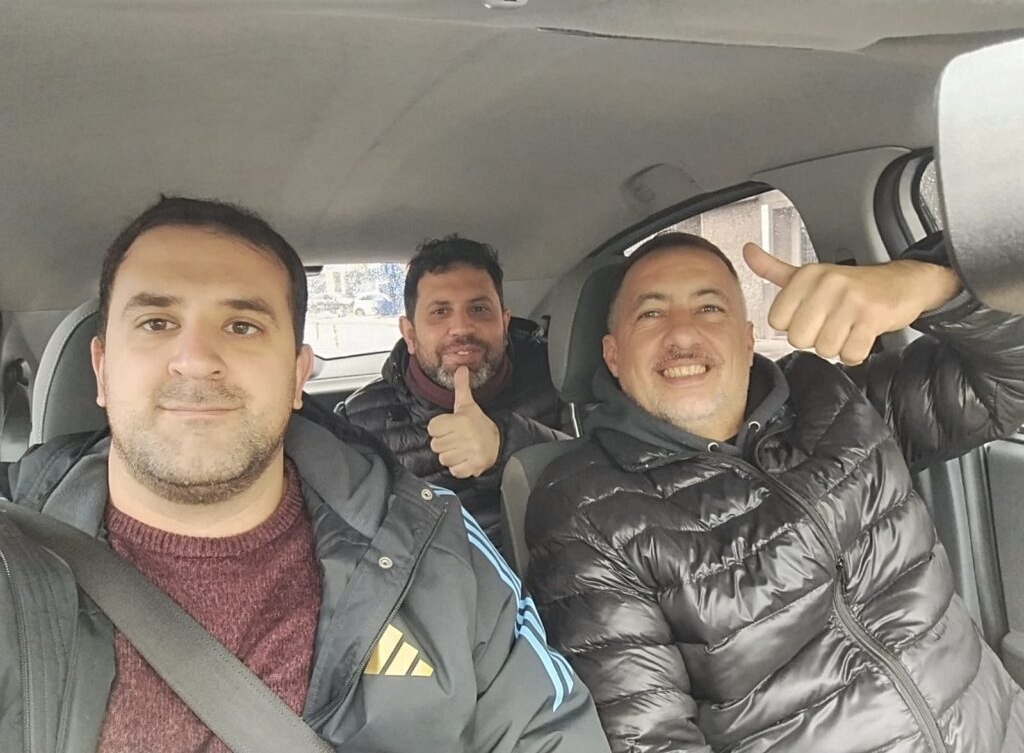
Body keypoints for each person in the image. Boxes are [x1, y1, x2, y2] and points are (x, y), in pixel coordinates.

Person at [0, 197, 609, 753]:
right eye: (156, 322)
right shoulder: (14, 562)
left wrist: (506, 445)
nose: (196, 359)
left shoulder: (439, 556)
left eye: (242, 325)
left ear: (297, 376)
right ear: (102, 369)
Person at [525, 231, 1024, 752]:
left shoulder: (831, 398)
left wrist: (929, 285)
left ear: (747, 340)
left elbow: (1005, 386)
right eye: (650, 314)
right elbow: (651, 740)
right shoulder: (585, 508)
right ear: (612, 354)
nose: (683, 333)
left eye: (710, 308)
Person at [339, 235, 572, 548]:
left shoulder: (559, 377)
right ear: (410, 334)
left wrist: (506, 445)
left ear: (504, 324)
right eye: (440, 312)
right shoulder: (357, 423)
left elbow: (603, 481)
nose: (462, 328)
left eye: (479, 308)